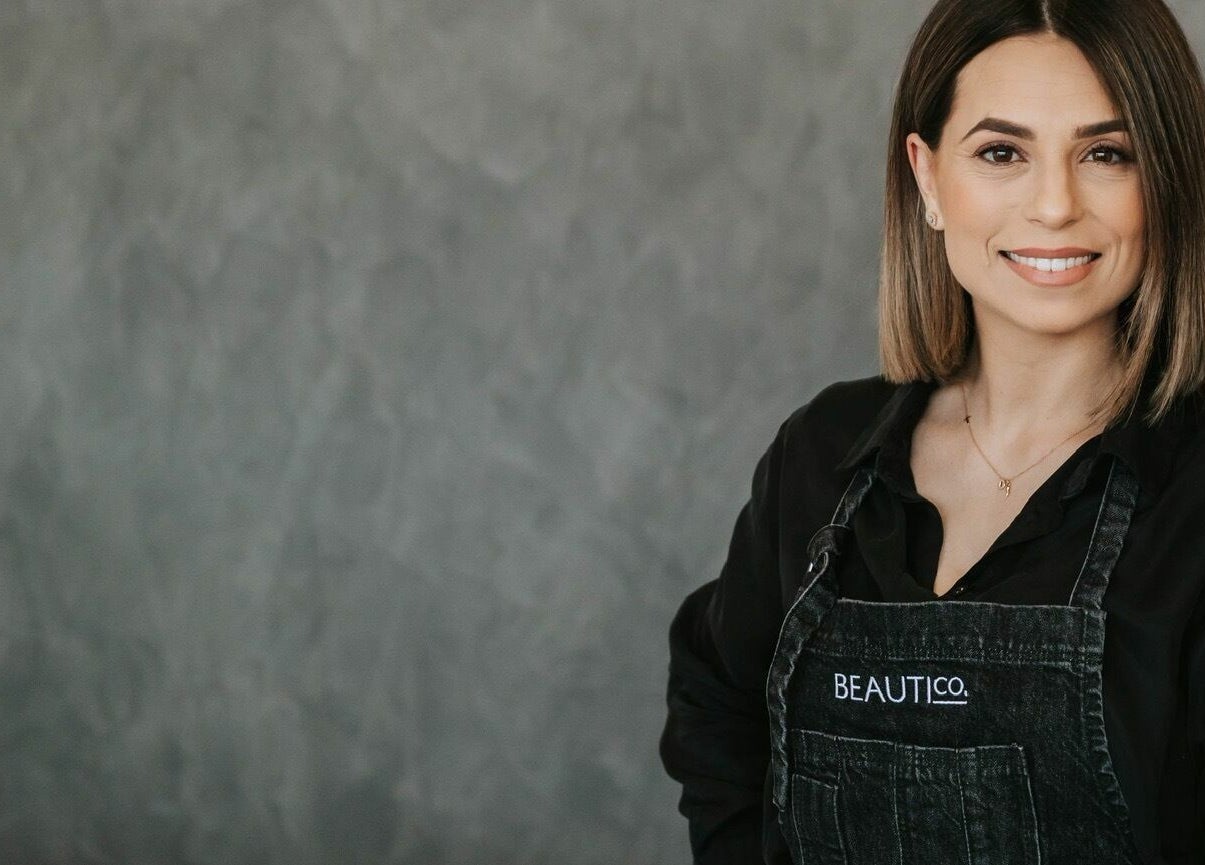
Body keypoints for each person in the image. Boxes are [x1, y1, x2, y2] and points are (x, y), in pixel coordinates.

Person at [660, 1, 1205, 863]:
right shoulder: (823, 453)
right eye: (1000, 153)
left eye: (1106, 154)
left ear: (1167, 178)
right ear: (926, 178)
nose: (1054, 205)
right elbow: (715, 706)